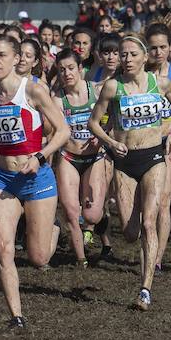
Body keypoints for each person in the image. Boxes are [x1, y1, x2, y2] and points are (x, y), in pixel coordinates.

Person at [0, 34, 70, 328]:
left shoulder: (33, 90)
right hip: (4, 179)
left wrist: (39, 156)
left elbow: (63, 132)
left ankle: (53, 228)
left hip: (38, 178)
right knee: (2, 246)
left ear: (16, 59)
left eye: (1, 55)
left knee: (38, 258)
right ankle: (17, 316)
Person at [88, 35, 171, 311]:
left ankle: (145, 289)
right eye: (123, 54)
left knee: (149, 222)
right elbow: (94, 123)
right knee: (130, 232)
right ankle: (133, 220)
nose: (126, 59)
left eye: (131, 54)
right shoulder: (113, 87)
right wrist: (110, 141)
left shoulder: (160, 83)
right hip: (125, 162)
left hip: (153, 158)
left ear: (144, 57)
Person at [52, 49, 111, 267]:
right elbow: (57, 130)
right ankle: (81, 259)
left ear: (80, 69)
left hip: (95, 157)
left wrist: (103, 135)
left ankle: (102, 221)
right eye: (61, 70)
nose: (66, 73)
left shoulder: (96, 91)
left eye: (70, 68)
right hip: (68, 156)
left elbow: (112, 116)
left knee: (92, 215)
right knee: (70, 210)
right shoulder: (57, 99)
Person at [144, 23, 171, 271]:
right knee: (144, 203)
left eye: (163, 47)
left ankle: (157, 259)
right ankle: (147, 243)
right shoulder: (138, 74)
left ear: (170, 47)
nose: (158, 52)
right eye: (153, 48)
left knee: (163, 200)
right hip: (142, 145)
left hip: (166, 142)